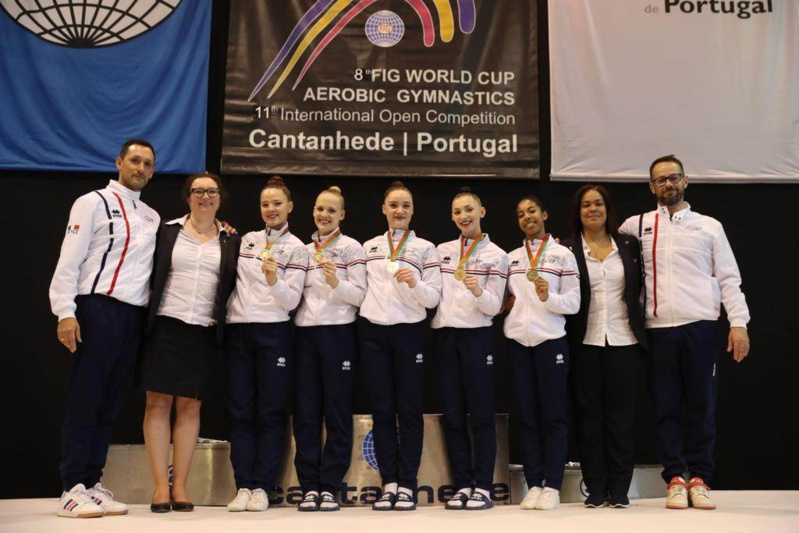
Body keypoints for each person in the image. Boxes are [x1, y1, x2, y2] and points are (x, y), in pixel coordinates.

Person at [619, 155, 750, 510]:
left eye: (673, 178)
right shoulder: (637, 225)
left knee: (701, 405)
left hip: (701, 328)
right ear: (651, 187)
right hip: (658, 330)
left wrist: (738, 322)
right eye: (660, 180)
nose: (668, 185)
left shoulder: (709, 226)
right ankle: (675, 478)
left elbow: (728, 277)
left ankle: (701, 479)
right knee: (665, 407)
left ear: (686, 180)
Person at [49, 139, 159, 518]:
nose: (140, 168)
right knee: (86, 398)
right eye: (134, 161)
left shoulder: (152, 217)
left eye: (147, 163)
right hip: (96, 309)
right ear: (119, 163)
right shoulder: (92, 202)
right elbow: (70, 259)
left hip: (133, 318)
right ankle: (70, 486)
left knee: (110, 403)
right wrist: (65, 311)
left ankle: (92, 482)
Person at [140, 172, 240, 513]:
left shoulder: (229, 239)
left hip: (204, 330)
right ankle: (158, 487)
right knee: (157, 405)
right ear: (188, 197)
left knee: (190, 407)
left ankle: (180, 485)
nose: (205, 196)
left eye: (211, 191)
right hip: (166, 324)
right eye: (198, 191)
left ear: (220, 198)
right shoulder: (167, 231)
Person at [225, 176, 309, 512]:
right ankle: (243, 485)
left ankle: (262, 486)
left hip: (274, 332)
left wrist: (274, 280)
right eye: (265, 204)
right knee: (241, 411)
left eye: (277, 203)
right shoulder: (246, 239)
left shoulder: (298, 248)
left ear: (289, 207)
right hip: (238, 332)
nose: (271, 209)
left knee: (270, 412)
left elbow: (291, 301)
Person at [562, 185, 647, 509]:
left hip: (624, 340)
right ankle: (596, 488)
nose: (593, 209)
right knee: (589, 418)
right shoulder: (567, 249)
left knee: (621, 418)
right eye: (586, 205)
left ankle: (620, 488)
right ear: (578, 212)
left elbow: (640, 290)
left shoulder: (628, 245)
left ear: (607, 209)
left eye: (598, 204)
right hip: (585, 341)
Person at [360, 181, 442, 511]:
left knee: (408, 411)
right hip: (374, 335)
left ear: (412, 211)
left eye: (405, 205)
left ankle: (407, 484)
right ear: (383, 209)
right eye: (394, 205)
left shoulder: (425, 248)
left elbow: (434, 297)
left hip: (410, 333)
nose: (399, 211)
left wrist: (416, 283)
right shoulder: (367, 247)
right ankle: (388, 484)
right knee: (382, 411)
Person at [431, 187, 508, 511]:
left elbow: (493, 307)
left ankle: (484, 487)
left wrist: (477, 289)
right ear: (452, 217)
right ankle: (462, 485)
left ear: (482, 212)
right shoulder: (441, 251)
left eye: (469, 210)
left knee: (481, 414)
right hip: (446, 336)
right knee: (451, 414)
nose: (464, 216)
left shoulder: (497, 255)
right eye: (458, 211)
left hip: (478, 337)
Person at [293, 186, 367, 512]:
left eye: (331, 211)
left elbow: (362, 296)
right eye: (320, 208)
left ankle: (330, 486)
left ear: (342, 216)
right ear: (313, 211)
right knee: (307, 412)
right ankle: (309, 486)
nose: (324, 215)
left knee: (336, 412)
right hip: (305, 336)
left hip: (339, 334)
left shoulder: (352, 248)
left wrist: (337, 282)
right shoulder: (301, 250)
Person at [504, 195, 580, 511]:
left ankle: (552, 485)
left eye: (532, 211)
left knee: (553, 415)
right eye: (521, 214)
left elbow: (574, 303)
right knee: (526, 415)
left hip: (551, 342)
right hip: (519, 343)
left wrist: (549, 298)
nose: (527, 217)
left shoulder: (563, 255)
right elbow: (504, 299)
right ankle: (533, 483)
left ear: (544, 214)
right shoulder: (510, 258)